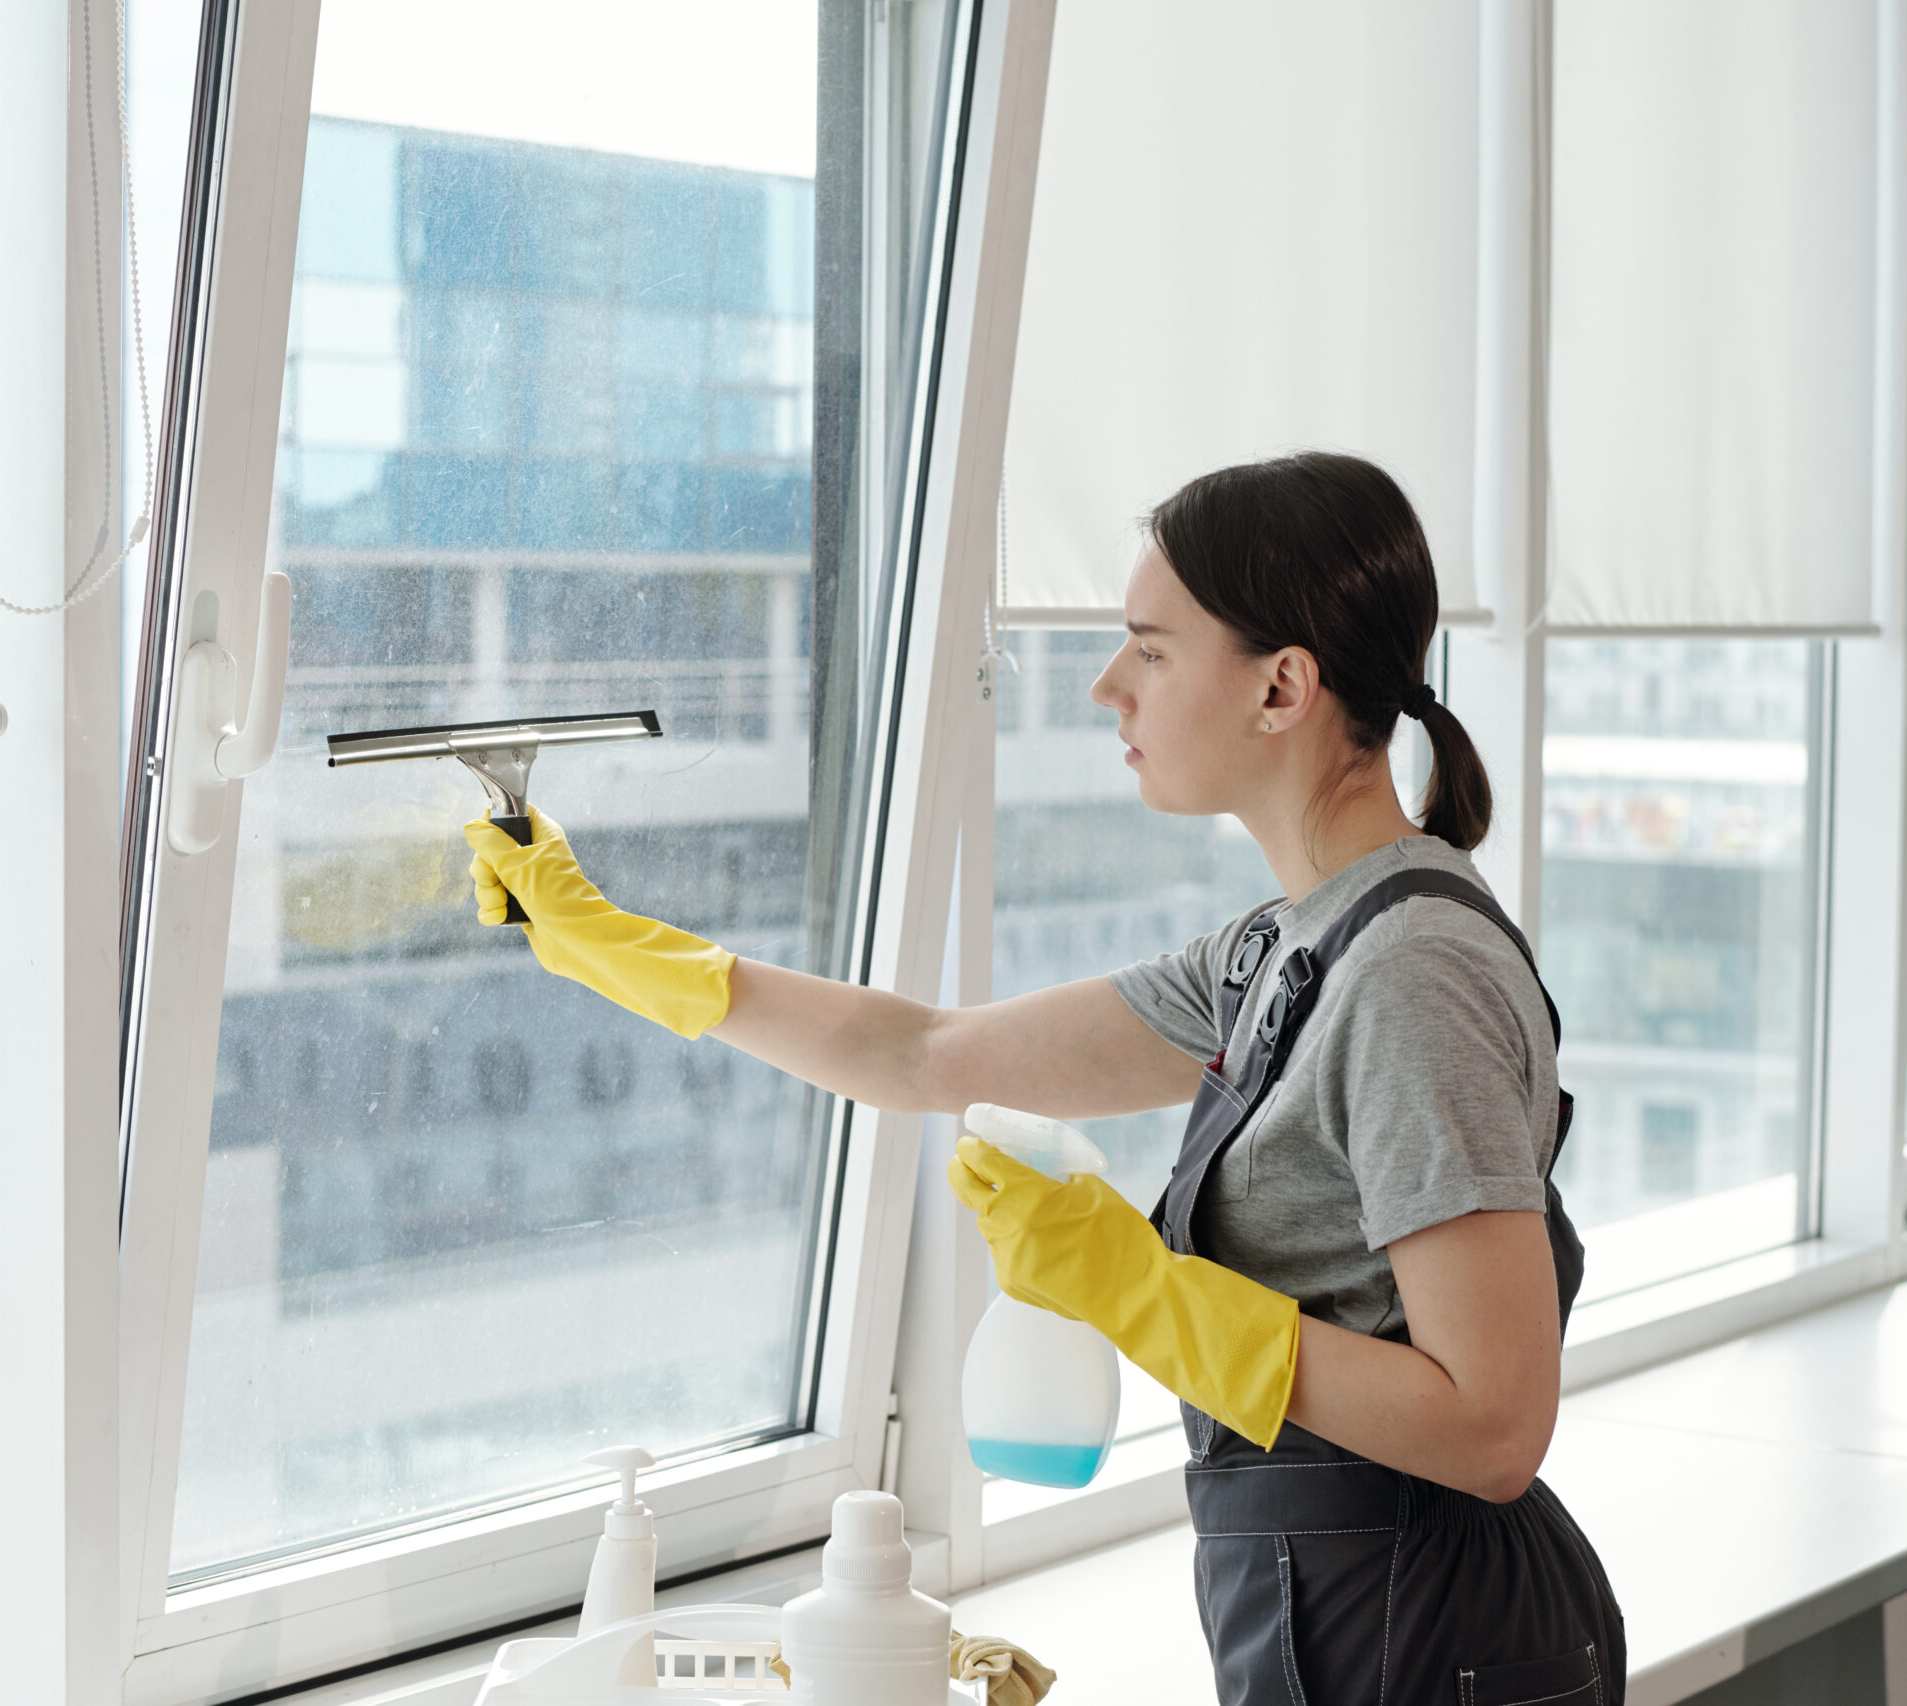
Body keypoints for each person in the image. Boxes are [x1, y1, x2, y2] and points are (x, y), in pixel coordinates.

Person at [462, 452, 1626, 1705]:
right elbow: (927, 1055)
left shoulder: (1410, 974)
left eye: (1151, 650)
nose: (1105, 683)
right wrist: (610, 943)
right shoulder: (1280, 952)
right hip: (1345, 1603)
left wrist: (1140, 1292)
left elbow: (1493, 1426)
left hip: (1430, 1628)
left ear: (1282, 685)